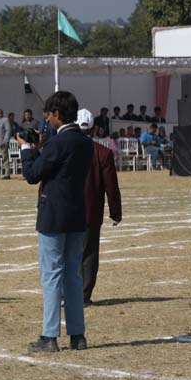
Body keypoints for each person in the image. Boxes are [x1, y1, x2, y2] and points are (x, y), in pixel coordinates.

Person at [19, 90, 92, 353]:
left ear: (57, 114)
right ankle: (77, 335)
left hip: (53, 216)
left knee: (51, 276)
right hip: (76, 214)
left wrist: (26, 149)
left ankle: (49, 336)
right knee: (73, 275)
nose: (47, 120)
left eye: (49, 115)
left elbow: (32, 175)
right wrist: (41, 148)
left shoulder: (57, 143)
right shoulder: (85, 143)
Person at [76, 109, 122, 308]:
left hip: (65, 211)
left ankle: (64, 293)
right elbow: (111, 186)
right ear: (94, 128)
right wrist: (115, 212)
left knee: (65, 253)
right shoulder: (103, 153)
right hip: (91, 212)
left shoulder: (62, 148)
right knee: (89, 254)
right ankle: (83, 295)